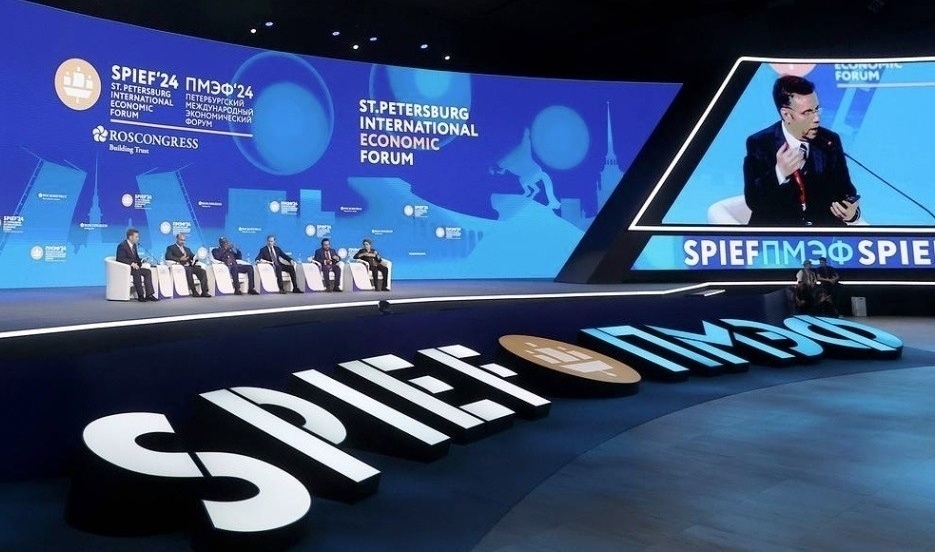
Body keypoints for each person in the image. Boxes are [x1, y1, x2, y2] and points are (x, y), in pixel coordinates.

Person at [743, 74, 861, 226]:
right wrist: (779, 173)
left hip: (821, 234)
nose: (816, 118)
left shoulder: (829, 141)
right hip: (778, 234)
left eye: (817, 110)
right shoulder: (760, 143)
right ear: (787, 114)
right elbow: (754, 201)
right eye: (807, 112)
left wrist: (852, 214)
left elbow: (846, 191)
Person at [115, 228, 158, 302]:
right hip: (125, 269)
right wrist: (131, 263)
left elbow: (136, 258)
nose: (138, 238)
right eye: (136, 237)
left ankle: (149, 295)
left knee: (147, 271)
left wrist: (142, 260)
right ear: (130, 237)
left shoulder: (134, 245)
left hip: (134, 268)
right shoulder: (122, 245)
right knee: (137, 271)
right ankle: (140, 295)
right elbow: (120, 258)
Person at [165, 233, 210, 297]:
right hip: (181, 266)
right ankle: (194, 291)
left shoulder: (187, 249)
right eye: (181, 240)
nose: (183, 242)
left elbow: (192, 257)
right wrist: (180, 259)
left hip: (190, 266)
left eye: (184, 240)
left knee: (202, 271)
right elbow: (168, 256)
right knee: (189, 270)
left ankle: (204, 292)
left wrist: (196, 257)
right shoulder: (171, 248)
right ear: (177, 239)